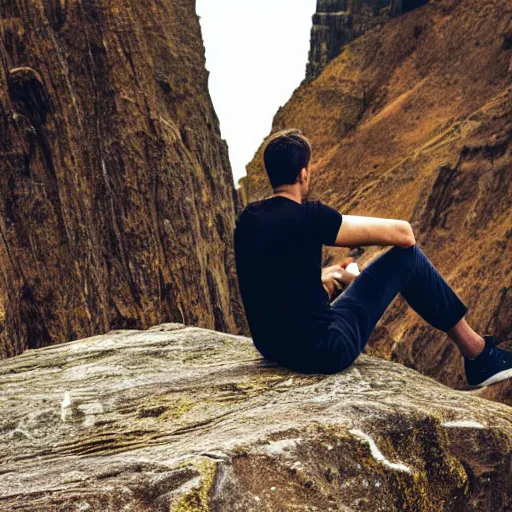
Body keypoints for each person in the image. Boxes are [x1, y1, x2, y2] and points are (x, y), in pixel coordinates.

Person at [233, 128, 512, 388]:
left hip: (272, 347)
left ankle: (478, 355)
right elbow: (404, 234)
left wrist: (327, 276)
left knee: (342, 280)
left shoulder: (248, 218)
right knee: (408, 259)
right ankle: (478, 356)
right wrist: (360, 276)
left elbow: (273, 278)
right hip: (324, 351)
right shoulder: (310, 216)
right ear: (304, 173)